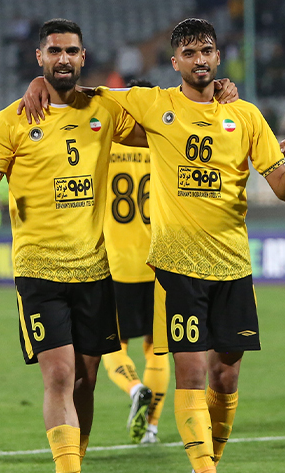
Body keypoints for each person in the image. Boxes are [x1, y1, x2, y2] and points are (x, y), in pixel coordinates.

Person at [20, 18, 285, 473]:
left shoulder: (246, 115)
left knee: (225, 373)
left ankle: (199, 449)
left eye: (206, 51)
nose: (199, 59)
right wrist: (40, 79)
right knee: (184, 369)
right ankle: (201, 467)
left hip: (232, 264)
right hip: (174, 264)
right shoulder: (154, 106)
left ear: (217, 56)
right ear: (175, 63)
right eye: (188, 54)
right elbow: (78, 91)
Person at [0, 19, 238, 473]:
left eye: (71, 52)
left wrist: (214, 100)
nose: (63, 59)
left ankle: (80, 456)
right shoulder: (9, 120)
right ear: (40, 57)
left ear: (83, 57)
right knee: (58, 374)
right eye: (53, 52)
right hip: (38, 271)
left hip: (97, 270)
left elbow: (167, 131)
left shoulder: (102, 110)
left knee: (85, 380)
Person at [99, 79, 170, 445]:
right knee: (157, 349)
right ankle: (152, 428)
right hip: (159, 263)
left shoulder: (104, 143)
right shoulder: (164, 143)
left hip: (115, 263)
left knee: (113, 345)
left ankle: (133, 388)